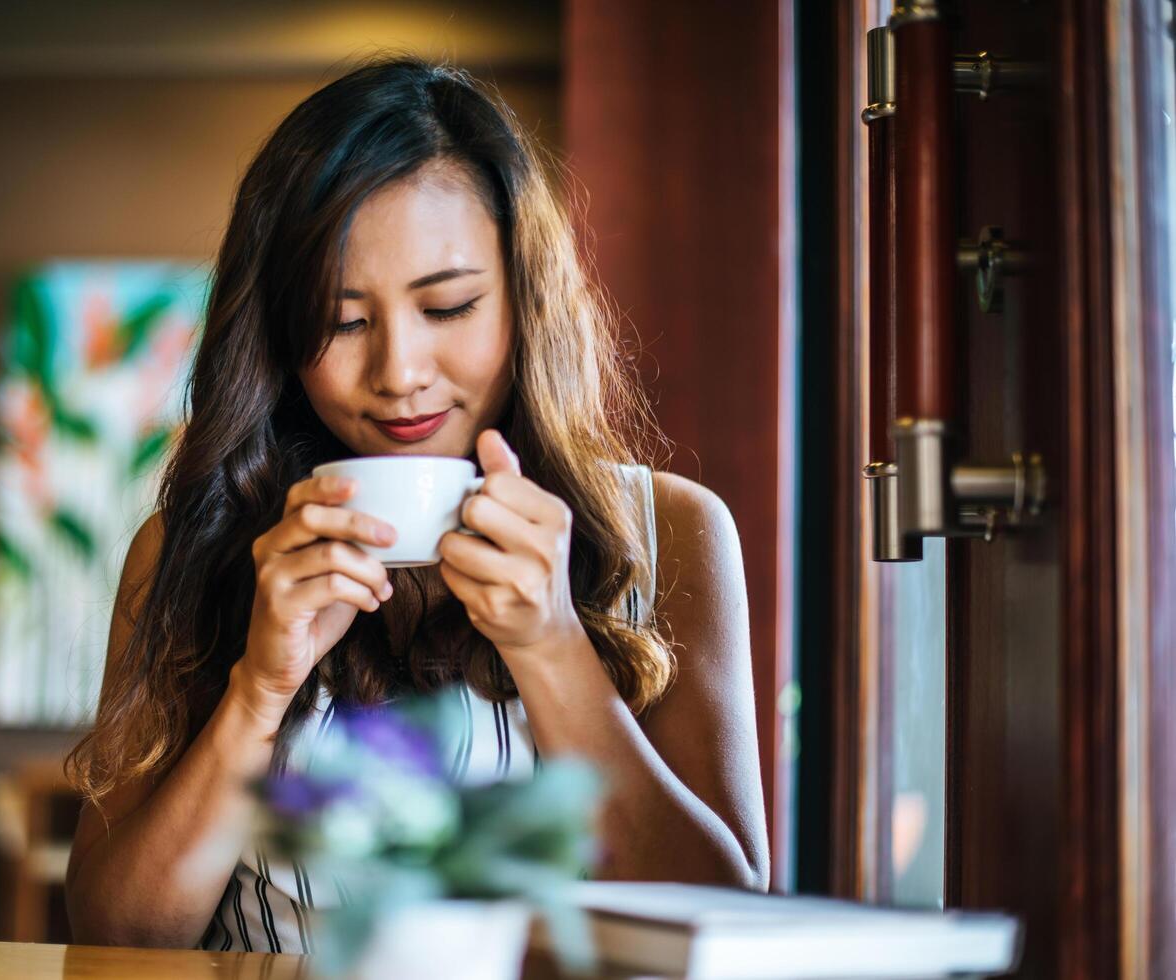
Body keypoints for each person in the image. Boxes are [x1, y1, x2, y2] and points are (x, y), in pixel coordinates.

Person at [64, 55, 767, 952]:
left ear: (523, 300)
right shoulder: (186, 547)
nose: (398, 375)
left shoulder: (671, 531)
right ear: (278, 334)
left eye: (448, 306)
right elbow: (113, 938)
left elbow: (729, 924)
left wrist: (552, 647)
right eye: (344, 320)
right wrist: (259, 690)